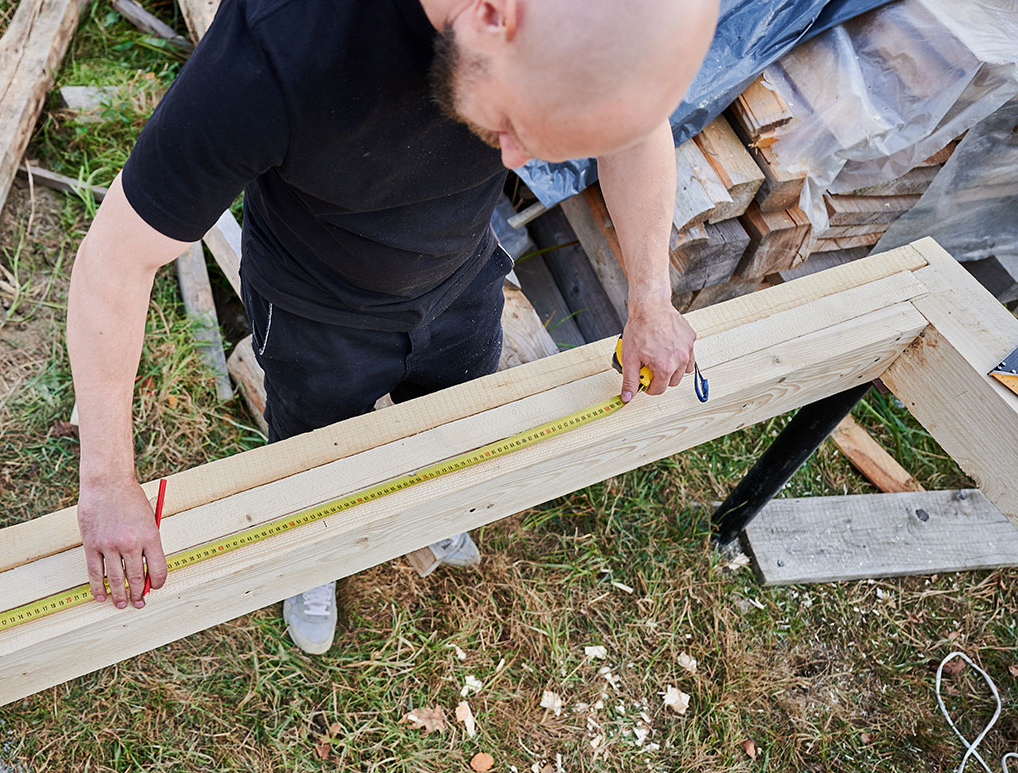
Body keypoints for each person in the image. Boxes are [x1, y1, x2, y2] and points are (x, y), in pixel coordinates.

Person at [66, 0, 718, 654]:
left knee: (449, 419)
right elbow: (114, 262)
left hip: (461, 275)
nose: (516, 160)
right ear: (492, 14)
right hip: (313, 309)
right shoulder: (280, 47)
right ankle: (313, 560)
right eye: (513, 129)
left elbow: (637, 130)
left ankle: (430, 512)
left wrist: (651, 298)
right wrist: (108, 482)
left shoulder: (584, 27)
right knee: (313, 457)